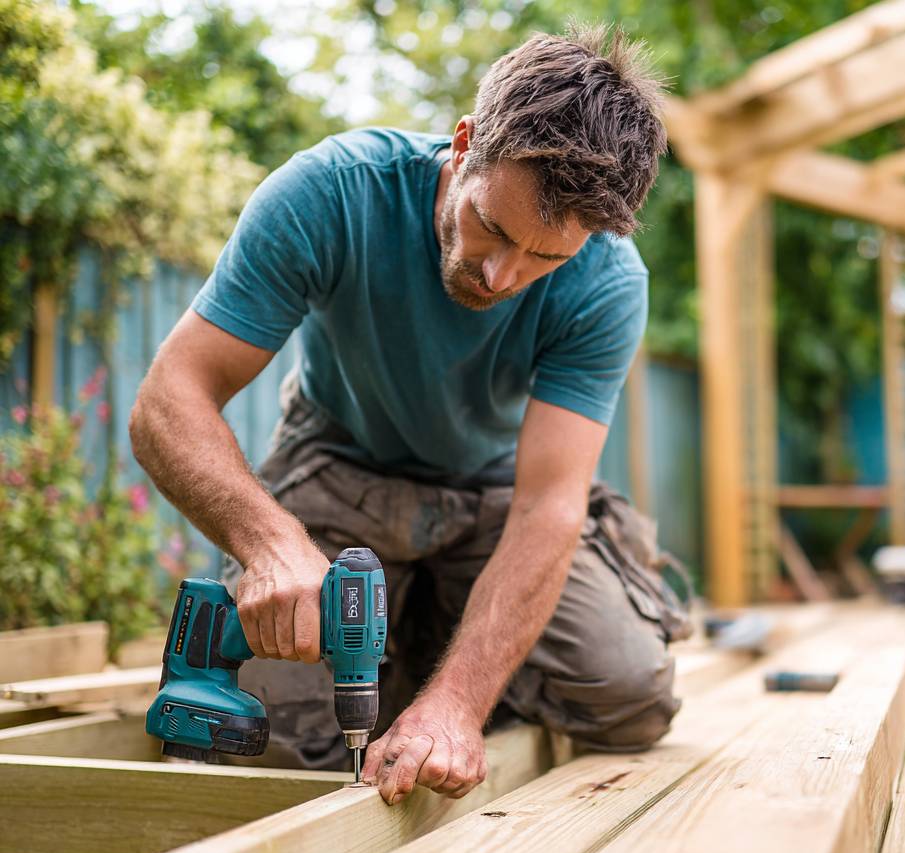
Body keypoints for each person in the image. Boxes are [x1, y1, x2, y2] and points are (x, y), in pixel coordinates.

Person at [128, 24, 689, 806]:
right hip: (341, 466)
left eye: (544, 258)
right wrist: (272, 545)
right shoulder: (330, 193)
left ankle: (431, 644)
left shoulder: (608, 282)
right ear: (463, 145)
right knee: (273, 742)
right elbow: (166, 402)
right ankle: (416, 634)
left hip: (495, 495)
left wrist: (458, 702)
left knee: (627, 692)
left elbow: (548, 504)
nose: (501, 274)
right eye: (492, 227)